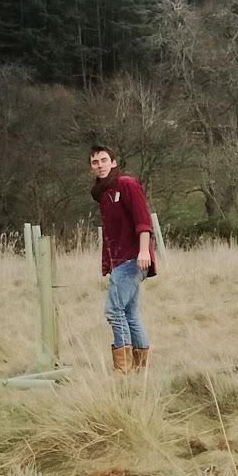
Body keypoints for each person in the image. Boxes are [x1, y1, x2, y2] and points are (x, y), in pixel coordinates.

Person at [89, 144, 154, 371]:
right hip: (119, 260)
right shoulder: (104, 194)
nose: (100, 165)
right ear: (91, 168)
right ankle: (141, 369)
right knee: (129, 313)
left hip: (133, 258)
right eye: (95, 162)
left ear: (113, 163)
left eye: (104, 160)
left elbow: (143, 221)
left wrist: (143, 251)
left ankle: (123, 370)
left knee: (114, 311)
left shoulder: (127, 184)